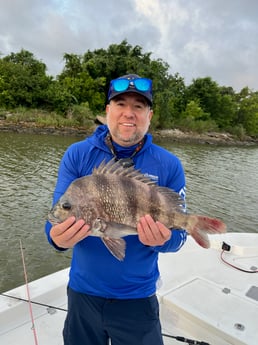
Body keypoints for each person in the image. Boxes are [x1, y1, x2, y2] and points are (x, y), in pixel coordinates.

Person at [45, 74, 187, 345]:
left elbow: (180, 239)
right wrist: (57, 239)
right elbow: (55, 220)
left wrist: (165, 239)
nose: (129, 113)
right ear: (108, 111)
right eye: (120, 103)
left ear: (150, 115)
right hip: (83, 295)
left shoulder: (169, 165)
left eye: (138, 106)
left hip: (138, 298)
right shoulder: (77, 155)